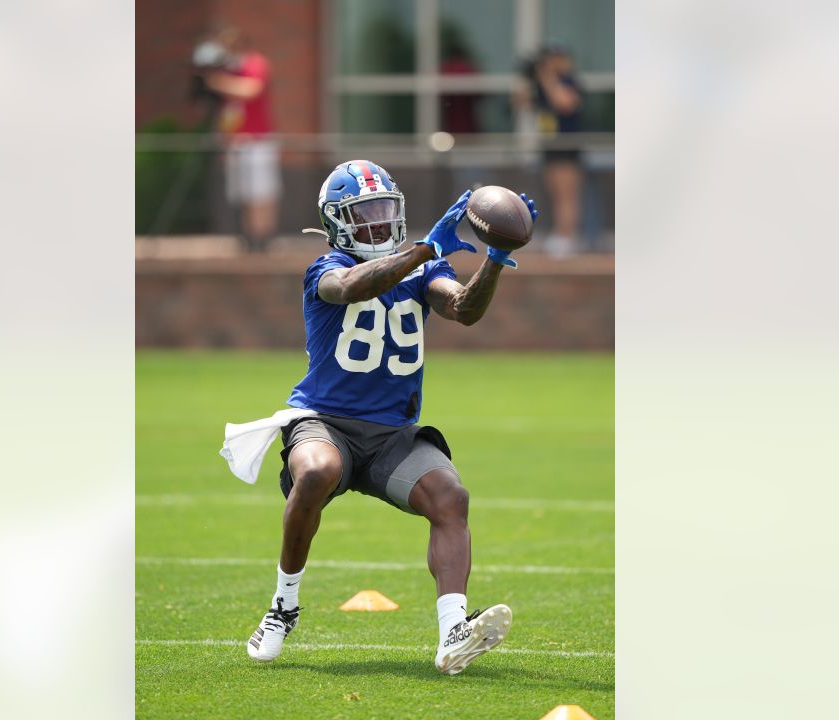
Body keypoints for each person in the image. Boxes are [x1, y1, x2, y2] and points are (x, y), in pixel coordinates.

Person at [225, 160, 538, 675]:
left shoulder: (422, 266)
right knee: (316, 470)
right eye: (362, 213)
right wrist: (424, 250)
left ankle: (453, 633)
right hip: (325, 420)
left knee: (450, 496)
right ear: (336, 222)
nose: (375, 222)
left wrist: (496, 259)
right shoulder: (324, 268)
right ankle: (283, 605)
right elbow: (352, 287)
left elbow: (462, 309)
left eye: (383, 210)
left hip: (393, 434)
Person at [201, 27, 279, 253]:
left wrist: (217, 82)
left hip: (258, 141)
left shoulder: (255, 63)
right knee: (244, 194)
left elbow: (251, 89)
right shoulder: (228, 70)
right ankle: (248, 237)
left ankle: (263, 237)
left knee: (261, 192)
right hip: (237, 142)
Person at [517, 44, 586, 257]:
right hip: (549, 146)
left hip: (567, 146)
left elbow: (564, 103)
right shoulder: (543, 86)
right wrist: (530, 78)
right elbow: (521, 102)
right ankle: (560, 234)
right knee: (555, 194)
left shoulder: (569, 82)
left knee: (568, 194)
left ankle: (568, 238)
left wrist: (548, 77)